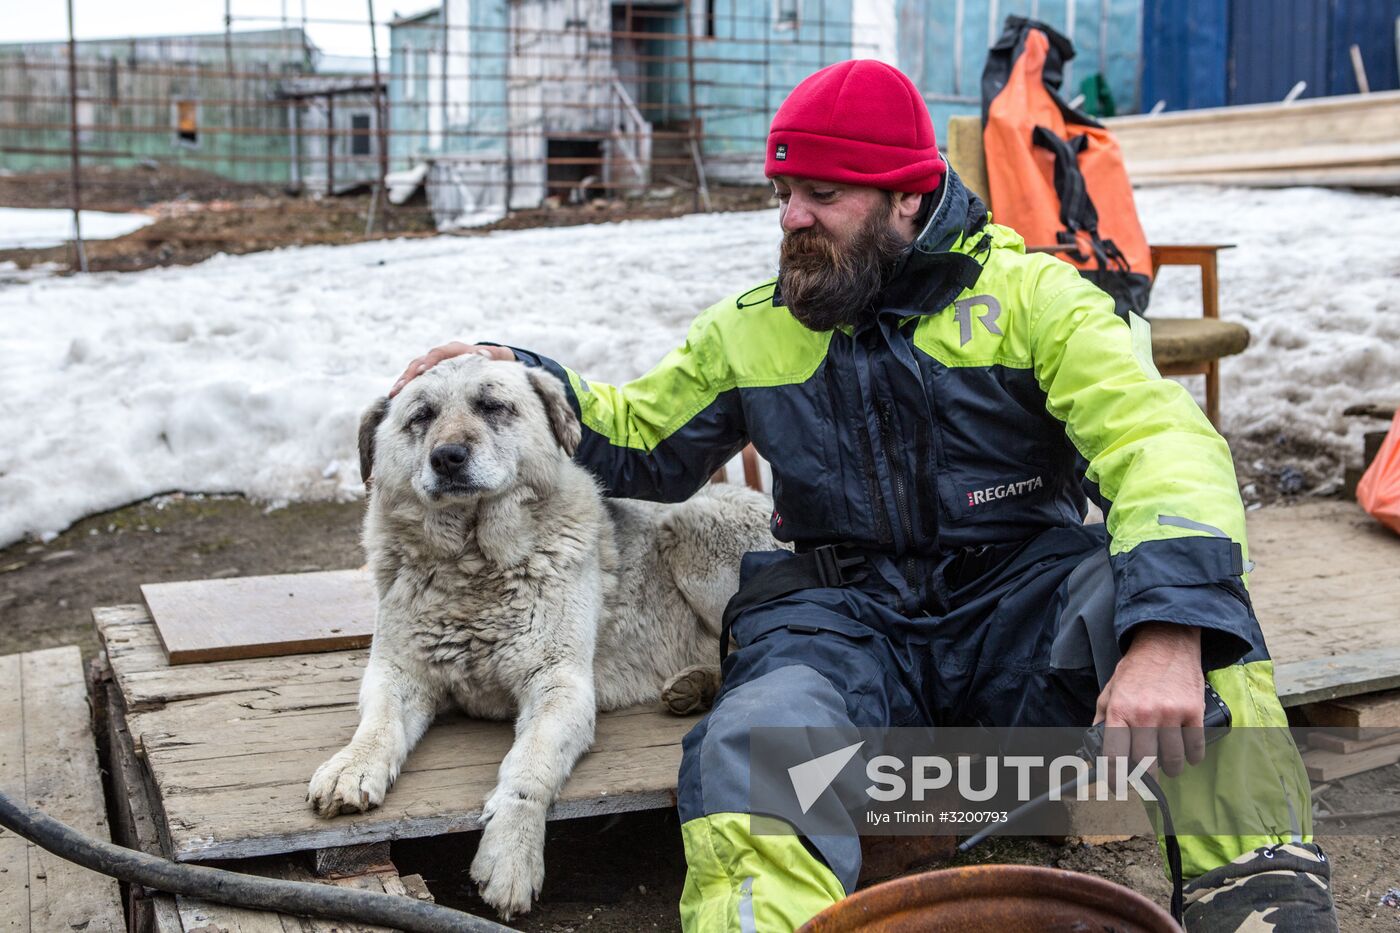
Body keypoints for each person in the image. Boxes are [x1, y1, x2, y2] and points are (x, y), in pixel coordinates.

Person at [392, 60, 1337, 933]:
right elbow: (640, 438)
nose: (791, 218)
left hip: (1022, 612)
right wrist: (519, 373)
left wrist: (1166, 635)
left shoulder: (1039, 298)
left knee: (1211, 653)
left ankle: (1263, 910)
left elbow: (1160, 448)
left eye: (823, 194)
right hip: (838, 618)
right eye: (783, 193)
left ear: (908, 198)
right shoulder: (754, 329)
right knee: (757, 745)